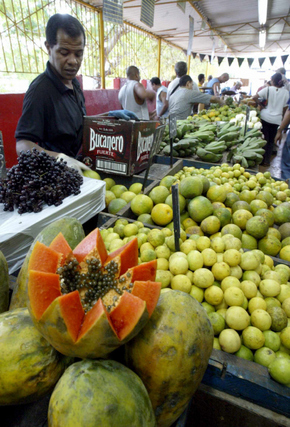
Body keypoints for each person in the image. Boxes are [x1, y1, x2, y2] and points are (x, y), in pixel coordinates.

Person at [15, 14, 90, 175]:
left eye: (78, 54)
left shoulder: (74, 83)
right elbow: (22, 145)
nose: (73, 61)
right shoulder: (40, 90)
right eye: (64, 52)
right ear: (48, 47)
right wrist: (59, 158)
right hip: (53, 180)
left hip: (75, 173)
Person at [252, 72, 289, 166]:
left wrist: (261, 104)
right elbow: (285, 109)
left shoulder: (267, 89)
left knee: (264, 139)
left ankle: (261, 159)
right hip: (277, 120)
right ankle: (267, 160)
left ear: (272, 81)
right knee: (271, 141)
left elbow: (254, 97)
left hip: (265, 117)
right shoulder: (286, 93)